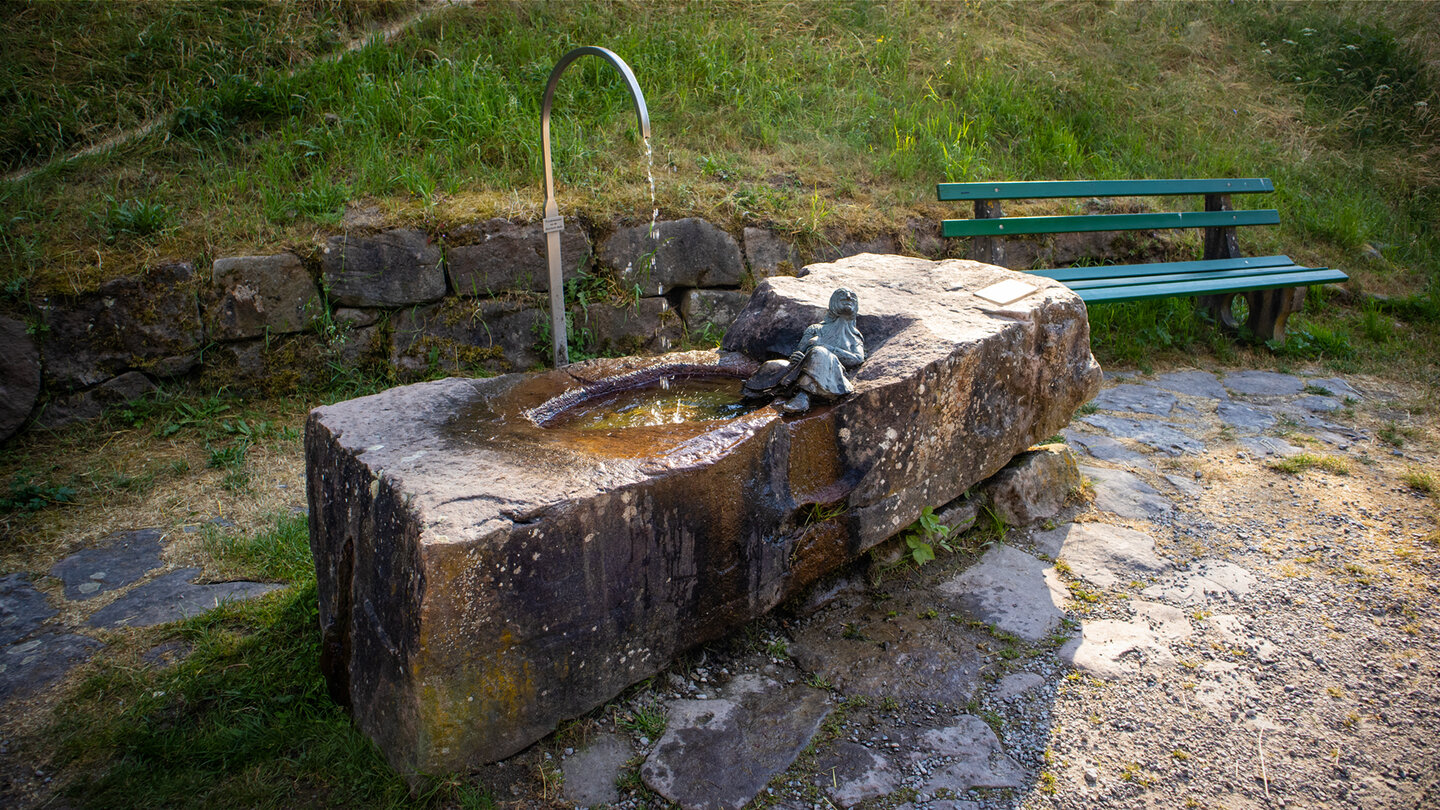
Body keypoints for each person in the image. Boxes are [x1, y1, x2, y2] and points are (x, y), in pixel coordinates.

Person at [742, 287, 865, 413]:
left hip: (832, 373)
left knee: (819, 352)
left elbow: (857, 359)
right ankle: (749, 396)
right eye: (842, 295)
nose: (848, 297)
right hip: (802, 368)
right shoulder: (815, 329)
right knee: (771, 365)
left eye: (852, 297)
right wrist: (797, 357)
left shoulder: (854, 336)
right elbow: (799, 353)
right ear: (833, 302)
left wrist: (827, 348)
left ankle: (804, 396)